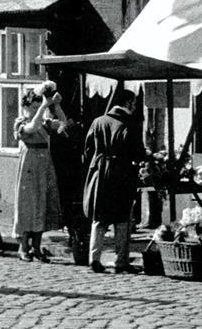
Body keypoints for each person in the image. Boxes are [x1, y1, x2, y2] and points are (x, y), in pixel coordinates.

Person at [82, 90, 145, 274]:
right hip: (121, 174)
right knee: (122, 218)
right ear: (128, 103)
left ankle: (94, 259)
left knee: (99, 217)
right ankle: (121, 261)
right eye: (134, 103)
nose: (135, 106)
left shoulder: (98, 121)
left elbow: (87, 150)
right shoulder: (129, 124)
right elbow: (137, 153)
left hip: (99, 174)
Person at [12, 86, 65, 262]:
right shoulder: (20, 122)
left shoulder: (44, 123)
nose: (36, 110)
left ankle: (36, 247)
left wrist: (56, 106)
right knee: (27, 205)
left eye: (38, 107)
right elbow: (31, 128)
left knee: (42, 203)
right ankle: (23, 247)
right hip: (29, 165)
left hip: (43, 164)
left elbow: (63, 124)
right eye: (33, 107)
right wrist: (43, 106)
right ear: (25, 107)